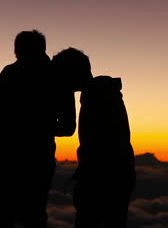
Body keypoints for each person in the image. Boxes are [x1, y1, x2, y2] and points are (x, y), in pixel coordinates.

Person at [0, 30, 56, 228]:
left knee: (9, 215)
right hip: (34, 158)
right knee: (32, 215)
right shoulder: (51, 74)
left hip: (10, 158)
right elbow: (67, 126)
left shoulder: (12, 73)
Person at [51, 48, 135, 228]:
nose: (58, 81)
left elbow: (102, 143)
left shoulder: (97, 95)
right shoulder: (101, 91)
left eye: (61, 75)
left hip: (103, 179)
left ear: (71, 73)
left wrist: (88, 176)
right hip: (115, 176)